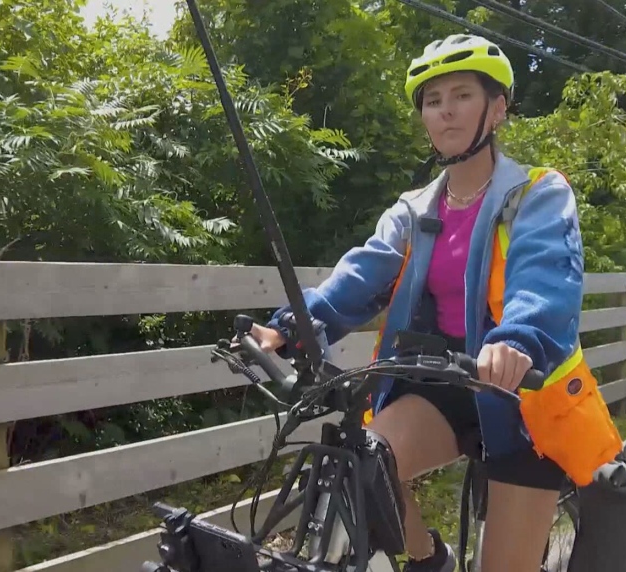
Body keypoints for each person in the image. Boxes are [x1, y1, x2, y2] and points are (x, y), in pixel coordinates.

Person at [249, 34, 599, 572]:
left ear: (497, 108)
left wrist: (516, 340)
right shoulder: (412, 210)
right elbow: (359, 278)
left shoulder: (538, 194)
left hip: (523, 395)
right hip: (443, 383)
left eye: (461, 95)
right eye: (433, 101)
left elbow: (545, 281)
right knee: (361, 463)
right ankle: (429, 559)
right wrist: (289, 327)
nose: (445, 112)